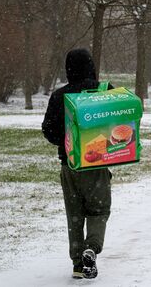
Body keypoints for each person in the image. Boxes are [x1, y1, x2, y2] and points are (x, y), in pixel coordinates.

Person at [42, 49, 113, 279]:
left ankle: (77, 263)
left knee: (75, 214)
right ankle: (91, 247)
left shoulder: (59, 96)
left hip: (69, 165)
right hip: (97, 165)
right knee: (98, 210)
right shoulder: (104, 92)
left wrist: (66, 140)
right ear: (91, 66)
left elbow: (48, 131)